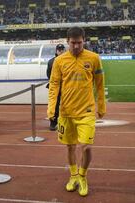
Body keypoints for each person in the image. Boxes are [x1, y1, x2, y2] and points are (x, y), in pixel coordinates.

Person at [47, 27, 106, 197]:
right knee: (70, 146)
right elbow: (54, 86)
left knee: (86, 147)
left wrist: (101, 106)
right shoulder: (60, 61)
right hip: (66, 112)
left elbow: (100, 84)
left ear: (84, 41)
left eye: (79, 42)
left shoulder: (94, 58)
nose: (76, 46)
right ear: (67, 42)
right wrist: (52, 108)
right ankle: (73, 176)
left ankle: (83, 176)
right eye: (73, 43)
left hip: (86, 111)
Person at [46, 44, 66, 131]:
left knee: (67, 104)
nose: (61, 51)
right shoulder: (51, 61)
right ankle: (53, 122)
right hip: (56, 87)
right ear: (56, 51)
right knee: (54, 105)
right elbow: (49, 75)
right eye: (59, 50)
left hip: (66, 86)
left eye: (62, 50)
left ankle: (67, 121)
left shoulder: (68, 60)